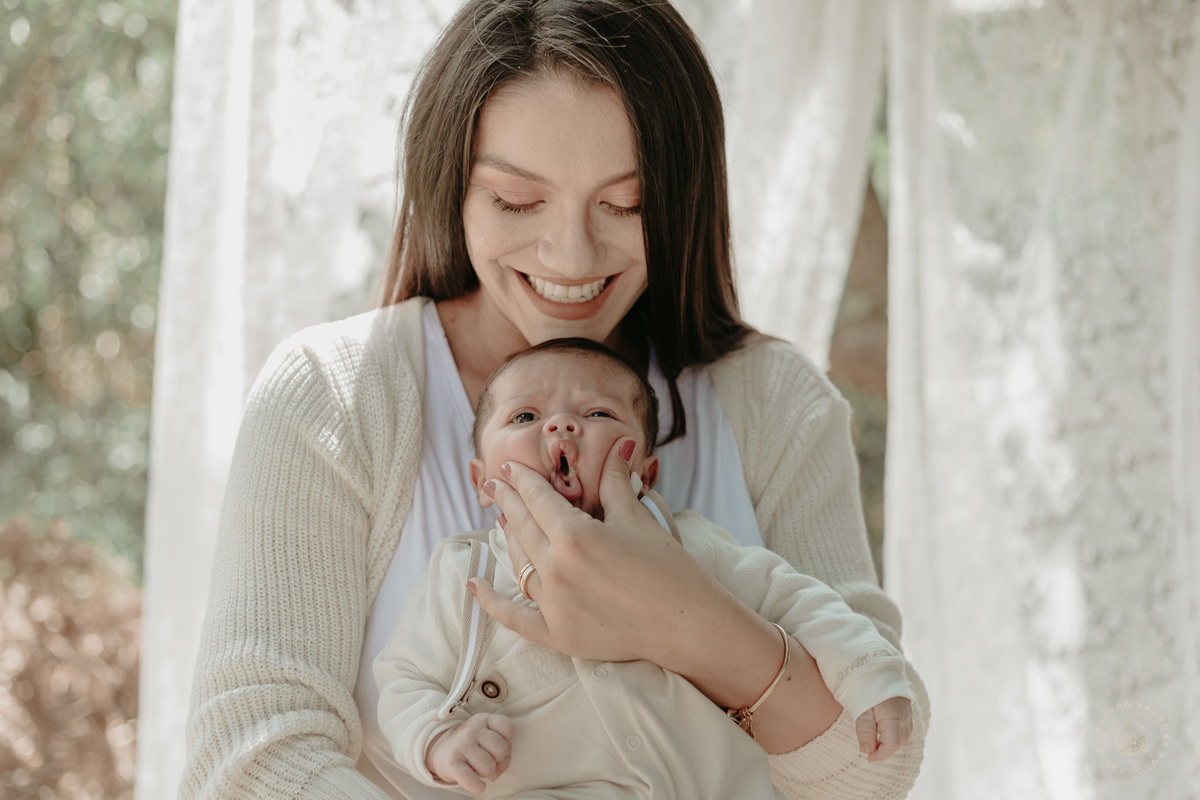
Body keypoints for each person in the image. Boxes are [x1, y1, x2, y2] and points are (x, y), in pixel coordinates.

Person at [181, 1, 929, 799]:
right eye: (516, 200)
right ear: (452, 188)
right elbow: (250, 757)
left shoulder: (776, 405)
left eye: (627, 204)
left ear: (684, 197)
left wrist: (680, 617)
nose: (570, 256)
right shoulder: (336, 397)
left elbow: (874, 770)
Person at [373, 339, 915, 798]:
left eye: (598, 414)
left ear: (646, 470)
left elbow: (801, 603)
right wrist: (436, 742)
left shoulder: (691, 548)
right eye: (525, 417)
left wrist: (869, 674)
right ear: (481, 478)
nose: (561, 425)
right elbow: (404, 679)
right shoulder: (463, 573)